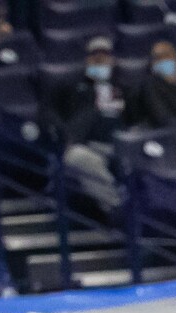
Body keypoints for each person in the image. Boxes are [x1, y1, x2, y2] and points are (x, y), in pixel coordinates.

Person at [54, 37, 133, 208]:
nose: (99, 59)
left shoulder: (124, 88)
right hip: (89, 147)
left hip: (122, 148)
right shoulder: (72, 88)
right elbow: (49, 115)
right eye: (94, 55)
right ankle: (117, 208)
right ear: (86, 60)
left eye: (104, 55)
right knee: (77, 156)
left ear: (113, 60)